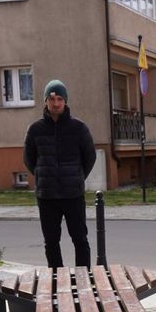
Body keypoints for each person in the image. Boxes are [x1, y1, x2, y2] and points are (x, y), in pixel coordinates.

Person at [23, 80, 97, 268]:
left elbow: (90, 157)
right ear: (46, 101)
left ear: (65, 101)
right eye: (52, 99)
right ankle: (57, 280)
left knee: (80, 239)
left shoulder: (79, 128)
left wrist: (77, 178)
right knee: (51, 242)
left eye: (60, 99)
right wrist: (43, 176)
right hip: (47, 196)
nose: (56, 103)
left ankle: (83, 281)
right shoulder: (35, 129)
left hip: (73, 194)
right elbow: (29, 159)